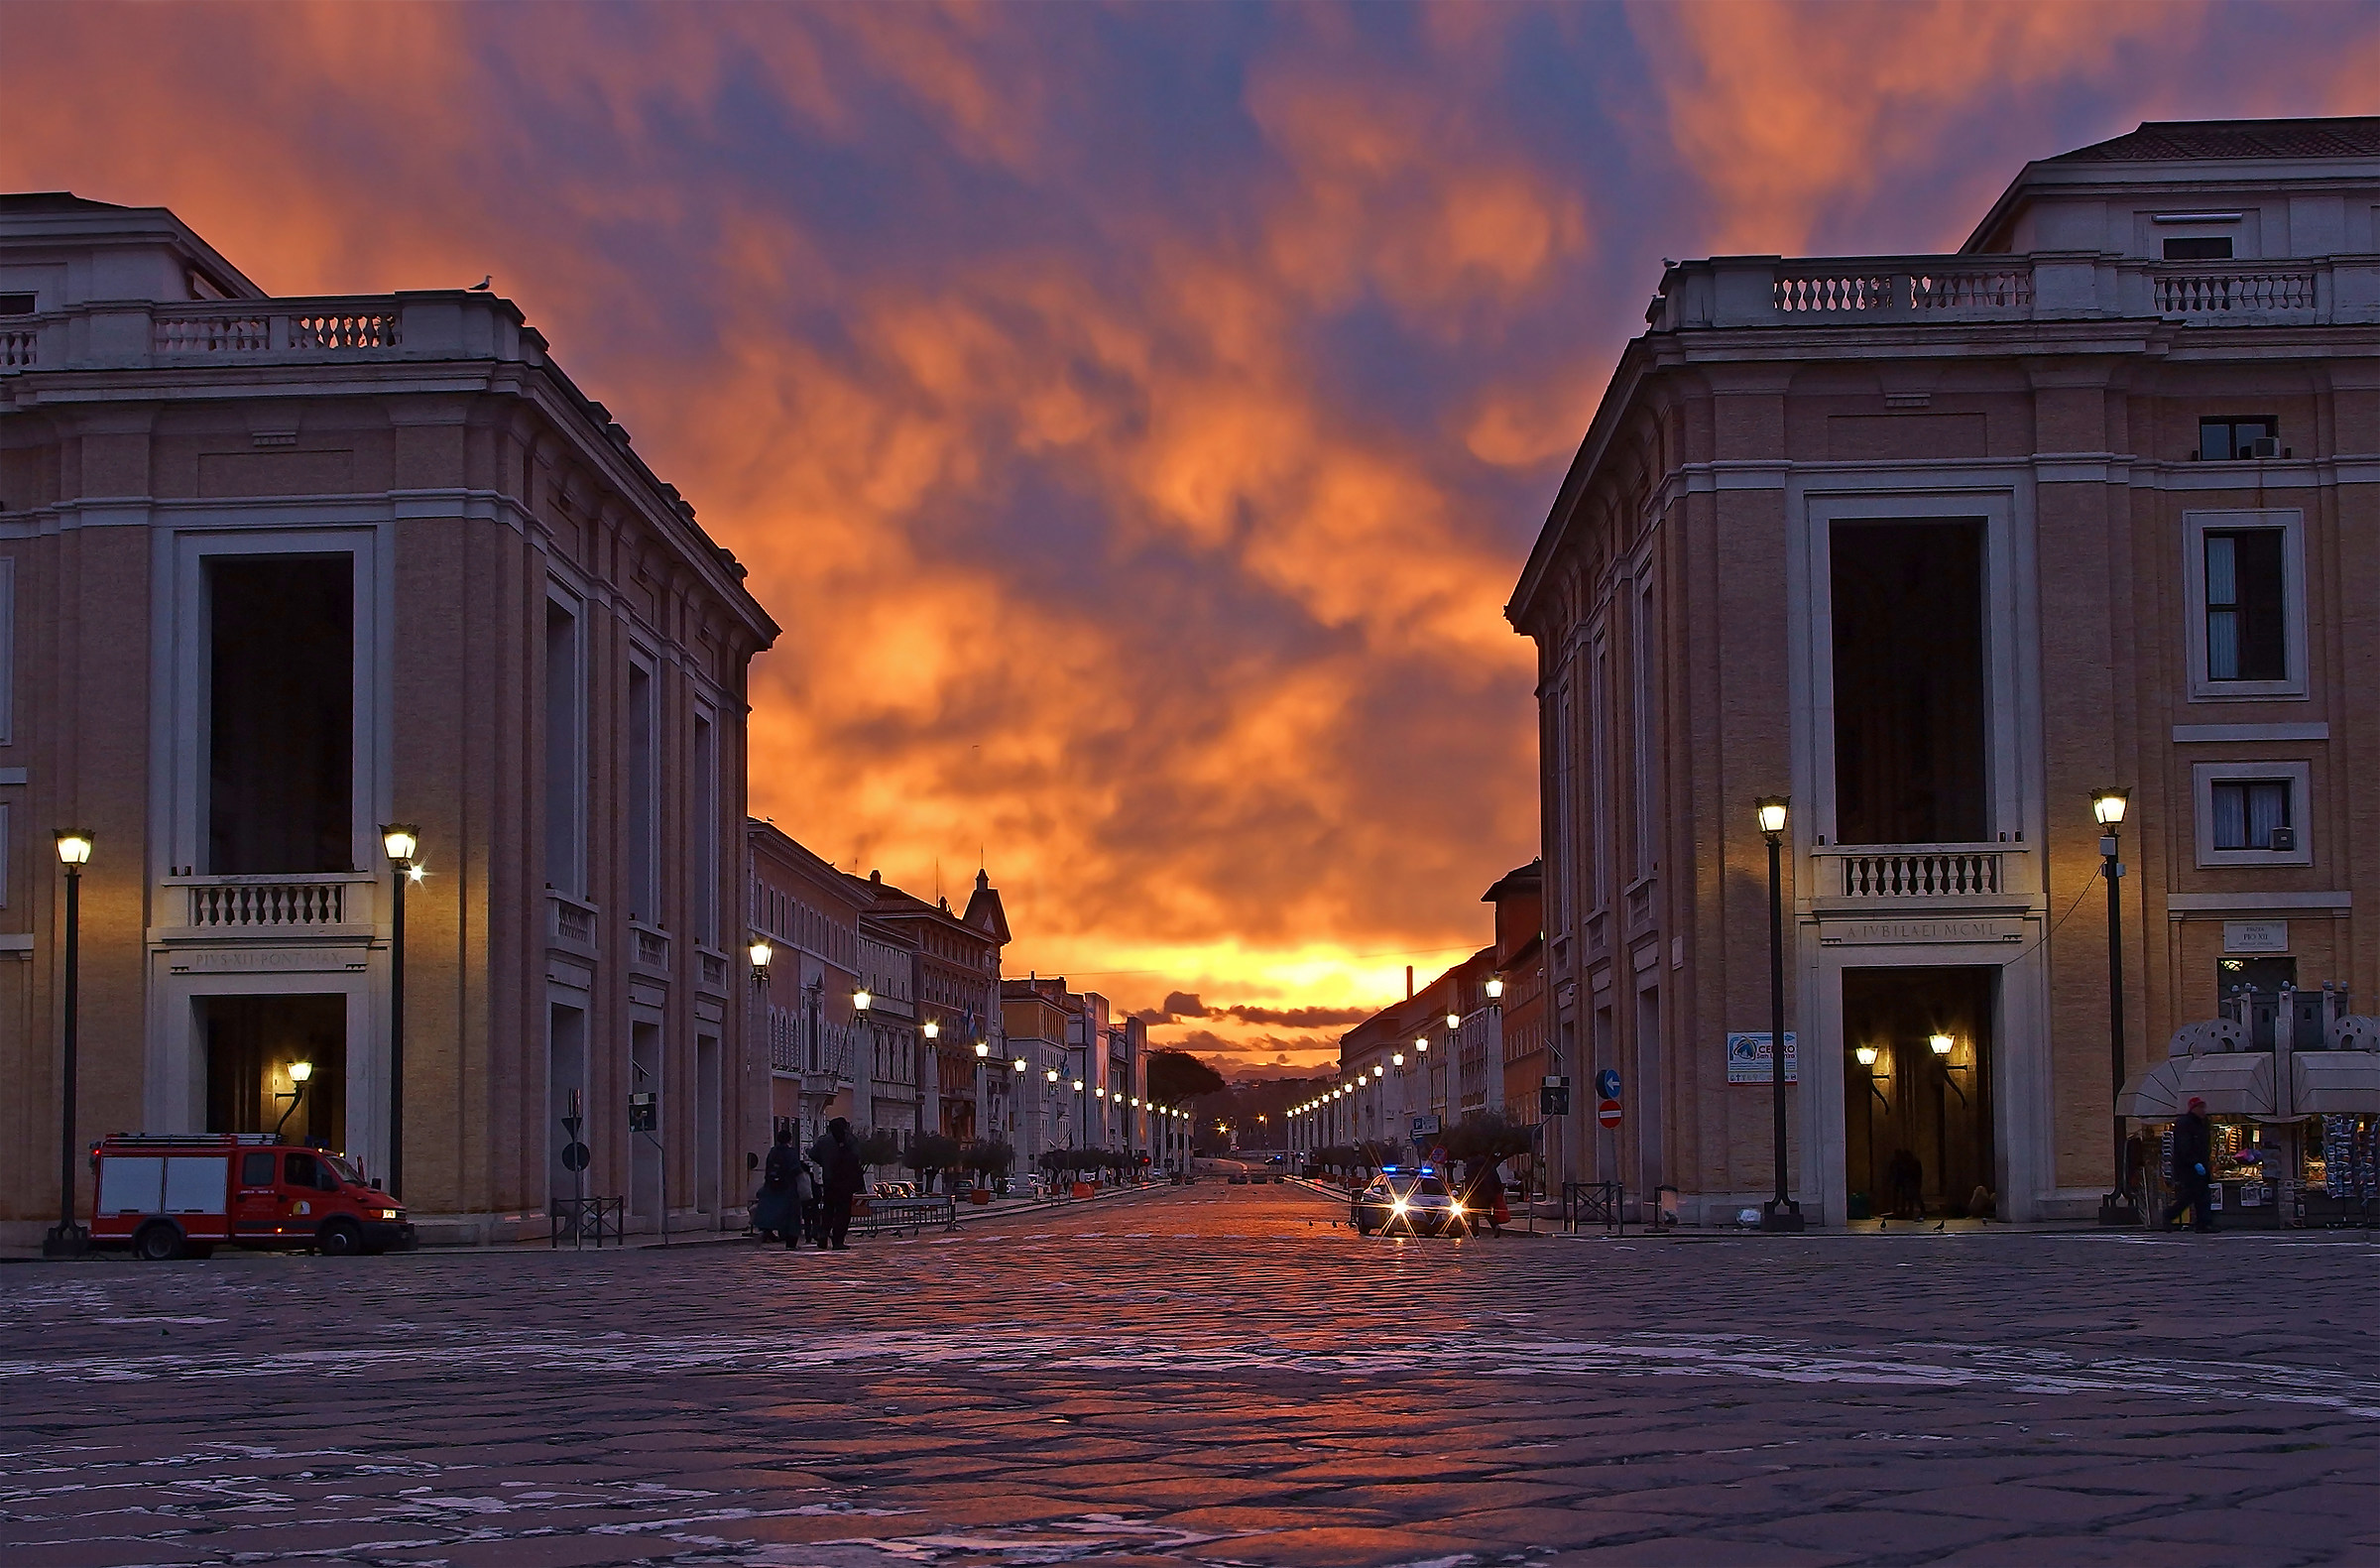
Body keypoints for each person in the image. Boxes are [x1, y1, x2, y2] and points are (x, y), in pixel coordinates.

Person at [2165, 1097, 2215, 1233]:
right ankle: (2169, 1215)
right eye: (2200, 1108)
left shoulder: (2202, 1123)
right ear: (2193, 1109)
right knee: (2191, 1195)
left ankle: (2203, 1224)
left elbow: (2203, 1146)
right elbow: (2184, 1146)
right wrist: (2194, 1162)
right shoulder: (2185, 1123)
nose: (2203, 1110)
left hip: (2200, 1165)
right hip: (2189, 1167)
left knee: (2200, 1195)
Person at [754, 1126, 802, 1248]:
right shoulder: (790, 1153)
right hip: (788, 1188)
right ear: (789, 1140)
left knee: (770, 1210)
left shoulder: (772, 1152)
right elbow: (796, 1169)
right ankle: (790, 1241)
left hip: (771, 1187)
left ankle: (767, 1231)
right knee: (791, 1216)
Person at [821, 1116, 865, 1250]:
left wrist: (825, 1164)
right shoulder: (850, 1140)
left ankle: (823, 1235)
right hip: (845, 1182)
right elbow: (858, 1156)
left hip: (829, 1181)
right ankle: (838, 1240)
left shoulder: (824, 1141)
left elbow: (813, 1154)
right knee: (843, 1212)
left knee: (828, 1210)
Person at [1468, 1157, 1507, 1238]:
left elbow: (1469, 1182)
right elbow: (1497, 1181)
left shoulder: (1471, 1168)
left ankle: (1476, 1234)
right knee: (1487, 1212)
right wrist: (1496, 1192)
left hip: (1476, 1195)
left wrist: (1467, 1195)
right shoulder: (1489, 1167)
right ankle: (1495, 1225)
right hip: (1489, 1194)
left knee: (1473, 1214)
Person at [1886, 1147, 1925, 1221]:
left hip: (1909, 1182)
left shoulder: (1910, 1163)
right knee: (1908, 1198)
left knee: (1913, 1198)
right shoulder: (1901, 1163)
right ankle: (1903, 1212)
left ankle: (1910, 1211)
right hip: (1905, 1182)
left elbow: (1915, 1173)